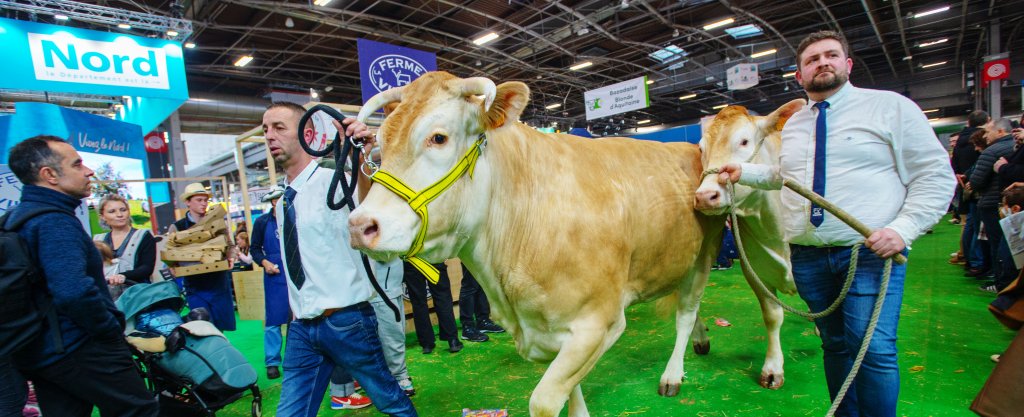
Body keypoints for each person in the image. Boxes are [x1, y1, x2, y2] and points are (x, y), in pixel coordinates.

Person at [716, 31, 954, 416]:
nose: (822, 63)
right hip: (809, 257)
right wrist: (742, 171)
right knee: (836, 344)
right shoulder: (794, 126)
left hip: (867, 253)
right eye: (812, 59)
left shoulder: (890, 108)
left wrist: (902, 229)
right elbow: (784, 177)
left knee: (872, 348)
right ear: (799, 75)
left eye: (831, 55)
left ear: (848, 64)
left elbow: (934, 175)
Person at [263, 101, 416, 417]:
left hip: (346, 320)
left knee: (391, 400)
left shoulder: (333, 180)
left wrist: (361, 152)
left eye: (279, 127)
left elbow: (367, 203)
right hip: (303, 327)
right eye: (265, 129)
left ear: (307, 133)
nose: (269, 136)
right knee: (290, 412)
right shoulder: (282, 203)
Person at [5, 135, 158, 416]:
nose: (88, 171)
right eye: (77, 164)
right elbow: (72, 291)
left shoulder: (20, 218)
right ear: (49, 174)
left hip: (43, 350)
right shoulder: (54, 221)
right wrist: (108, 330)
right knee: (139, 411)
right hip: (81, 346)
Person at [170, 182, 236, 331]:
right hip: (195, 284)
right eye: (199, 200)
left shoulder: (217, 223)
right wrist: (172, 266)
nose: (203, 204)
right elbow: (171, 253)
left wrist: (231, 256)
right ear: (188, 202)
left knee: (220, 326)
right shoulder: (177, 227)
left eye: (205, 200)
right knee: (202, 325)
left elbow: (229, 245)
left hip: (218, 281)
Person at [970, 118, 1015, 293]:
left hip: (993, 203)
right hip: (1009, 203)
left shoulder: (991, 151)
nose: (985, 136)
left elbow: (977, 180)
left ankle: (1000, 283)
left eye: (988, 132)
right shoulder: (1014, 147)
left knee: (998, 244)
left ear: (1000, 132)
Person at [250, 186, 288, 380]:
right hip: (274, 273)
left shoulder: (292, 217)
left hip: (294, 271)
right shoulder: (262, 222)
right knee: (273, 319)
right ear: (273, 201)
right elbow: (254, 249)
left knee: (296, 318)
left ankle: (293, 359)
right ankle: (272, 361)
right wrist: (264, 262)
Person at [93, 193, 157, 293]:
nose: (119, 215)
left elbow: (147, 268)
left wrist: (124, 276)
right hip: (108, 297)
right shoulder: (98, 240)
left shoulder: (143, 235)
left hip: (137, 295)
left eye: (123, 210)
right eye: (112, 211)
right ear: (103, 216)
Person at [405, 261, 463, 353]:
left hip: (412, 262)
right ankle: (452, 340)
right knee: (443, 298)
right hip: (433, 259)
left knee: (418, 303)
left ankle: (426, 344)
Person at [458, 263, 505, 342]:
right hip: (469, 252)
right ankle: (467, 327)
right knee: (470, 284)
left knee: (481, 283)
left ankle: (483, 321)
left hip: (481, 251)